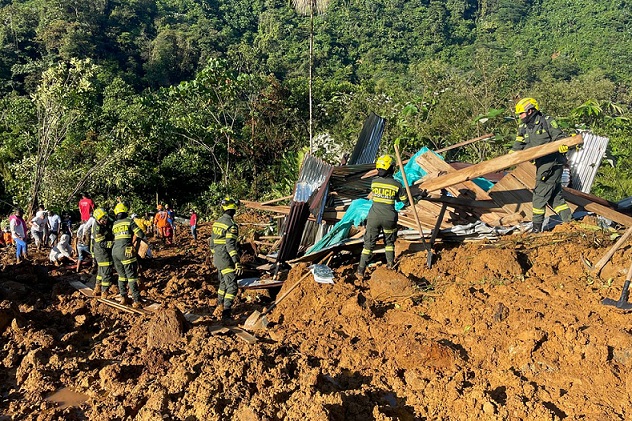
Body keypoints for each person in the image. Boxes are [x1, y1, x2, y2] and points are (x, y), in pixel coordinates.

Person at [513, 97, 572, 233]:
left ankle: (536, 230)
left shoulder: (547, 121)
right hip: (540, 164)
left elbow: (560, 138)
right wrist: (506, 161)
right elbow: (517, 147)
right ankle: (569, 223)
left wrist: (563, 146)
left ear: (530, 111)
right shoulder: (523, 127)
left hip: (552, 163)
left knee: (539, 196)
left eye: (521, 113)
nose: (520, 117)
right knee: (555, 198)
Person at [356, 155, 411, 279]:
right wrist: (418, 197)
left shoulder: (374, 182)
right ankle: (390, 265)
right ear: (391, 168)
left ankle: (360, 271)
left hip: (374, 217)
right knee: (389, 242)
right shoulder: (397, 184)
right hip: (389, 218)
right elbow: (405, 201)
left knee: (368, 245)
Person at [209, 197, 243, 321]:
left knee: (223, 283)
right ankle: (226, 313)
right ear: (234, 210)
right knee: (232, 286)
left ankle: (219, 305)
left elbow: (212, 243)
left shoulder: (217, 222)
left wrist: (216, 255)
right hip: (225, 259)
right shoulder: (231, 226)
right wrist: (236, 262)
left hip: (217, 258)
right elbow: (230, 246)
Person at [111, 202, 146, 308]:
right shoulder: (129, 221)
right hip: (126, 251)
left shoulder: (115, 224)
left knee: (121, 276)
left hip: (115, 252)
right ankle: (136, 300)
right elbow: (141, 233)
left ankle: (123, 297)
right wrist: (133, 242)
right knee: (131, 276)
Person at [91, 208, 115, 298]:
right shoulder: (97, 228)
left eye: (106, 218)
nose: (105, 220)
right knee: (106, 272)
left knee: (100, 272)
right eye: (103, 219)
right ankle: (104, 292)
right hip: (102, 253)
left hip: (100, 252)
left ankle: (97, 288)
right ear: (98, 219)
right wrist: (114, 244)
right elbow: (101, 243)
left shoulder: (102, 224)